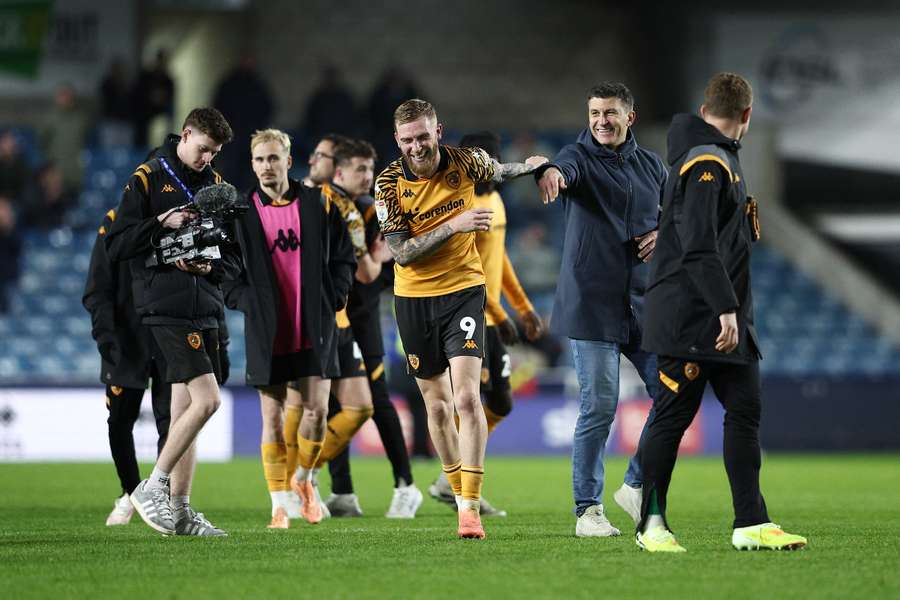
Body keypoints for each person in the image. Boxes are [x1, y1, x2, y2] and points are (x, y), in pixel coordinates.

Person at [636, 73, 807, 553]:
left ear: (705, 105)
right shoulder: (708, 162)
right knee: (672, 419)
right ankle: (651, 525)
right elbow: (697, 247)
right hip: (693, 318)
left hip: (724, 319)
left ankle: (751, 523)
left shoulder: (712, 156)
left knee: (745, 410)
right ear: (747, 116)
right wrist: (727, 309)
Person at [375, 99, 545, 539]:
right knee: (436, 406)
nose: (416, 146)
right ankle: (454, 489)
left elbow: (497, 171)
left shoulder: (464, 162)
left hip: (464, 292)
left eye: (423, 136)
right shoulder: (388, 183)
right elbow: (400, 253)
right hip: (413, 299)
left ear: (438, 131)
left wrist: (530, 166)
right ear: (398, 140)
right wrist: (455, 224)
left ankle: (469, 505)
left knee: (468, 400)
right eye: (408, 139)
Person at [535, 82, 666, 538]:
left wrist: (665, 232)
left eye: (609, 112)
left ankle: (633, 483)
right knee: (600, 406)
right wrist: (548, 171)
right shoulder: (577, 157)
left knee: (674, 393)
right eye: (594, 113)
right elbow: (560, 169)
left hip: (641, 304)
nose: (600, 121)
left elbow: (677, 215)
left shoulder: (653, 167)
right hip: (592, 303)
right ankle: (587, 511)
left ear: (630, 116)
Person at [105, 107, 239, 536]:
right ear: (184, 136)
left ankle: (181, 510)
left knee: (185, 410)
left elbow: (233, 258)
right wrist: (161, 223)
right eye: (203, 150)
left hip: (206, 305)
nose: (207, 159)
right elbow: (117, 243)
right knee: (208, 401)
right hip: (164, 305)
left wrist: (207, 267)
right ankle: (153, 486)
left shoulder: (216, 186)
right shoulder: (146, 177)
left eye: (214, 153)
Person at [223, 128, 355, 529]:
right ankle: (279, 504)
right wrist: (249, 303)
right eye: (260, 159)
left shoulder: (318, 204)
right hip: (269, 331)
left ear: (287, 159)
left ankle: (303, 480)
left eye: (273, 158)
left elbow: (344, 257)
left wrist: (336, 295)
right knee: (274, 418)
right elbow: (228, 273)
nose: (267, 166)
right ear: (252, 164)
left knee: (316, 412)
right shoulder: (242, 212)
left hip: (314, 325)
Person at [427, 131, 545, 518]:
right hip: (471, 312)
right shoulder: (462, 204)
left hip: (492, 315)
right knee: (483, 400)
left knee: (498, 401)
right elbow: (467, 266)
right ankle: (458, 482)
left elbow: (498, 260)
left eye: (493, 160)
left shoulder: (495, 201)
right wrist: (498, 313)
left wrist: (523, 307)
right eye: (482, 160)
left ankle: (453, 480)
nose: (488, 169)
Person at [318, 139, 423, 519]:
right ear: (340, 171)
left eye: (370, 168)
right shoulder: (333, 205)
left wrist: (379, 260)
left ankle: (406, 485)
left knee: (376, 401)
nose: (367, 176)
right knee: (334, 405)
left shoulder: (370, 210)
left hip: (362, 320)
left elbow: (374, 270)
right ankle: (342, 491)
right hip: (338, 318)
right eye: (360, 169)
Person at [82, 207, 171, 526]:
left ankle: (162, 495)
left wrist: (221, 341)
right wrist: (106, 335)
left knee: (171, 421)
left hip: (169, 333)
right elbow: (98, 283)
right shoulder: (115, 220)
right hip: (126, 339)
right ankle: (131, 492)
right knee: (120, 419)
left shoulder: (180, 219)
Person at [212, 53, 275, 192]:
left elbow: (267, 107)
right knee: (231, 168)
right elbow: (219, 105)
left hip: (250, 135)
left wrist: (259, 128)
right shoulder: (230, 83)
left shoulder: (257, 84)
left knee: (247, 171)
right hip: (232, 134)